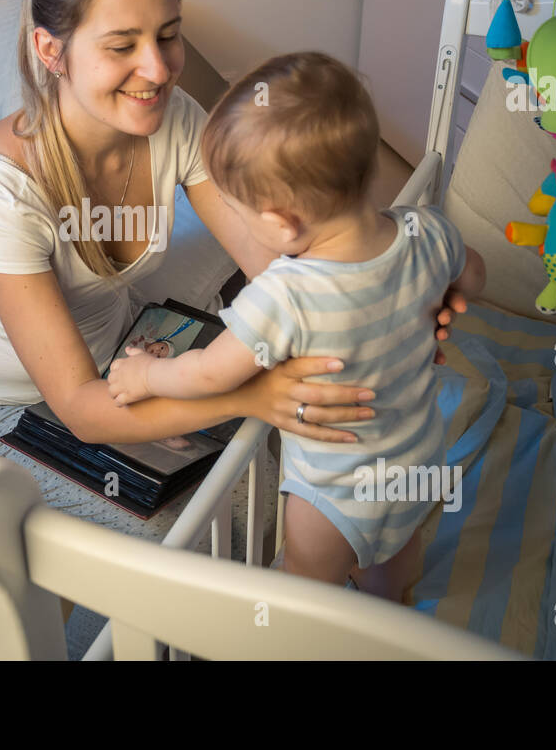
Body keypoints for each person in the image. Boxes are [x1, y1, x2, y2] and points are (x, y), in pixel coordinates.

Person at [0, 0, 468, 657]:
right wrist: (250, 398)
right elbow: (80, 410)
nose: (158, 68)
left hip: (119, 346)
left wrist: (391, 299)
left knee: (287, 482)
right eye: (122, 46)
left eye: (169, 35)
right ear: (51, 50)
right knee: (214, 542)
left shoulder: (173, 121)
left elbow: (279, 257)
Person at [108, 52, 486, 602]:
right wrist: (445, 294)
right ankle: (391, 603)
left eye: (240, 210)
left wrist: (145, 377)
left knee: (303, 592)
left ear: (283, 222)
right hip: (418, 459)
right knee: (395, 561)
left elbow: (211, 374)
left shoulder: (285, 295)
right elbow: (473, 273)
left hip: (334, 494)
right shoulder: (428, 232)